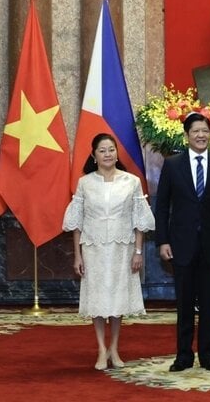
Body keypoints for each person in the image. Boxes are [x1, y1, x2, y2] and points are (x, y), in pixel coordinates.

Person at [62, 133, 155, 370]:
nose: (107, 154)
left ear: (117, 153)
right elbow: (76, 223)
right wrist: (77, 254)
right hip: (93, 249)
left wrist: (138, 252)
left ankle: (114, 347)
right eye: (102, 150)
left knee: (116, 299)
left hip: (122, 249)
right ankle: (101, 350)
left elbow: (139, 221)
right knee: (97, 300)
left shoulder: (131, 181)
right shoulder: (85, 183)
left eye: (111, 149)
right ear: (94, 155)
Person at [155, 112, 210, 372]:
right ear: (187, 135)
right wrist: (163, 240)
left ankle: (208, 355)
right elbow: (162, 206)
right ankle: (183, 355)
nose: (201, 135)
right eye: (196, 131)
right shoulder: (172, 164)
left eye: (205, 131)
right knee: (185, 303)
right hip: (181, 244)